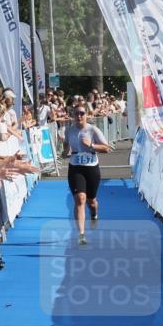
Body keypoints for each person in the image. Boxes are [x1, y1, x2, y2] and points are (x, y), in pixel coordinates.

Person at [63, 104, 111, 245]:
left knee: (91, 201)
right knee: (80, 199)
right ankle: (81, 234)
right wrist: (65, 151)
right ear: (72, 115)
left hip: (91, 168)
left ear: (87, 115)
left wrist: (91, 145)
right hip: (75, 168)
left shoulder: (93, 130)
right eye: (76, 113)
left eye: (82, 113)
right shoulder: (69, 130)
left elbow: (106, 148)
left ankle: (94, 213)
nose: (79, 116)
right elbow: (65, 149)